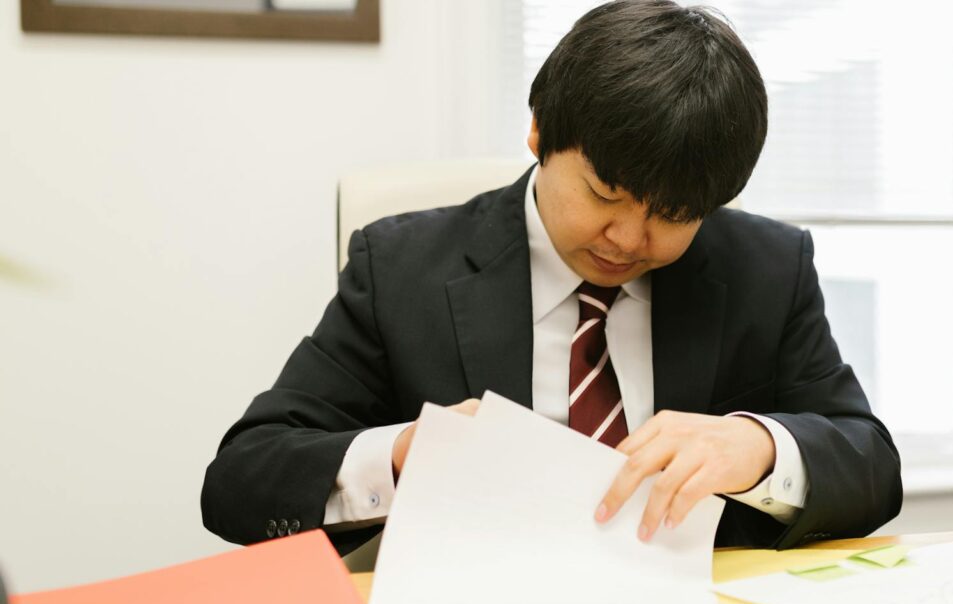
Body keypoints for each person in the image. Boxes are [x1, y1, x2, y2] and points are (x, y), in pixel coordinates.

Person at [201, 0, 901, 556]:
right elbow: (241, 480)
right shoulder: (401, 267)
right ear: (539, 133)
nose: (629, 239)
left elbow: (872, 466)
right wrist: (407, 455)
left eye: (674, 216)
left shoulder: (766, 268)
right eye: (604, 194)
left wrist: (759, 446)